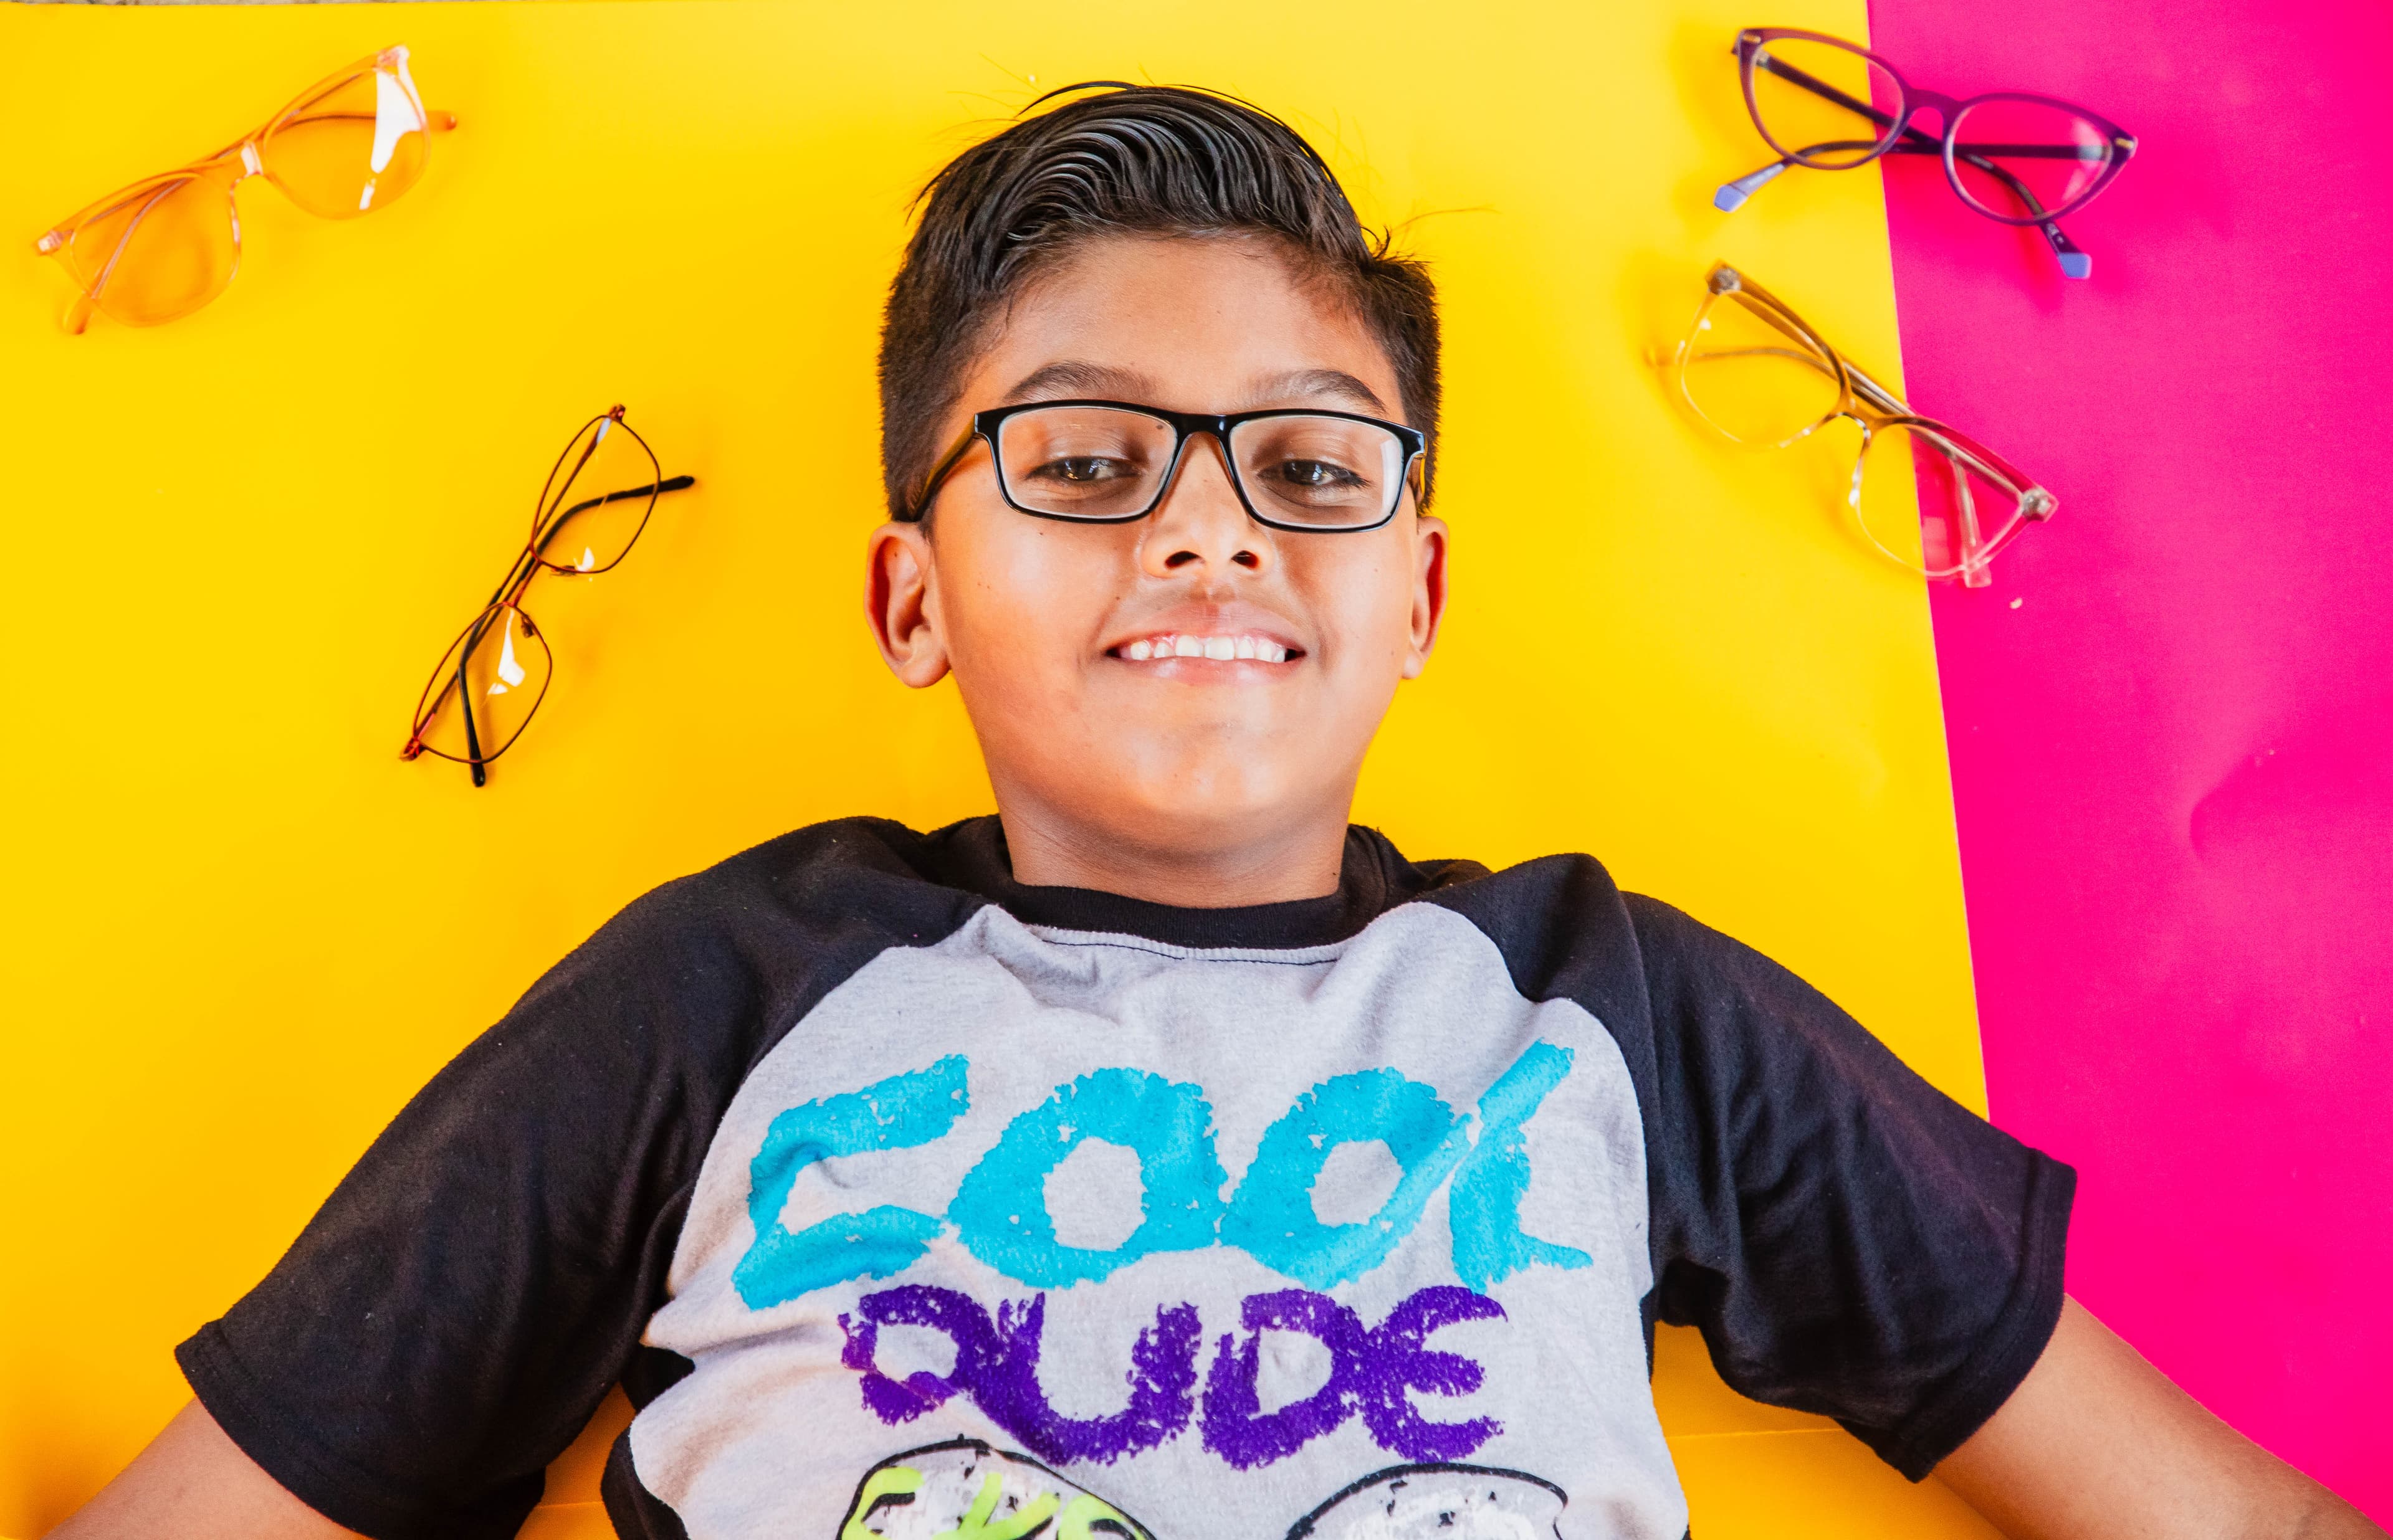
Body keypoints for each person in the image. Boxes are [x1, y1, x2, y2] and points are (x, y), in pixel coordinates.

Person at [55, 84, 2377, 1540]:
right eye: (1081, 463)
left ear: (1421, 587)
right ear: (911, 596)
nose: (1207, 535)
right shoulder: (718, 994)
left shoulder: (1617, 1011)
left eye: (1306, 465)